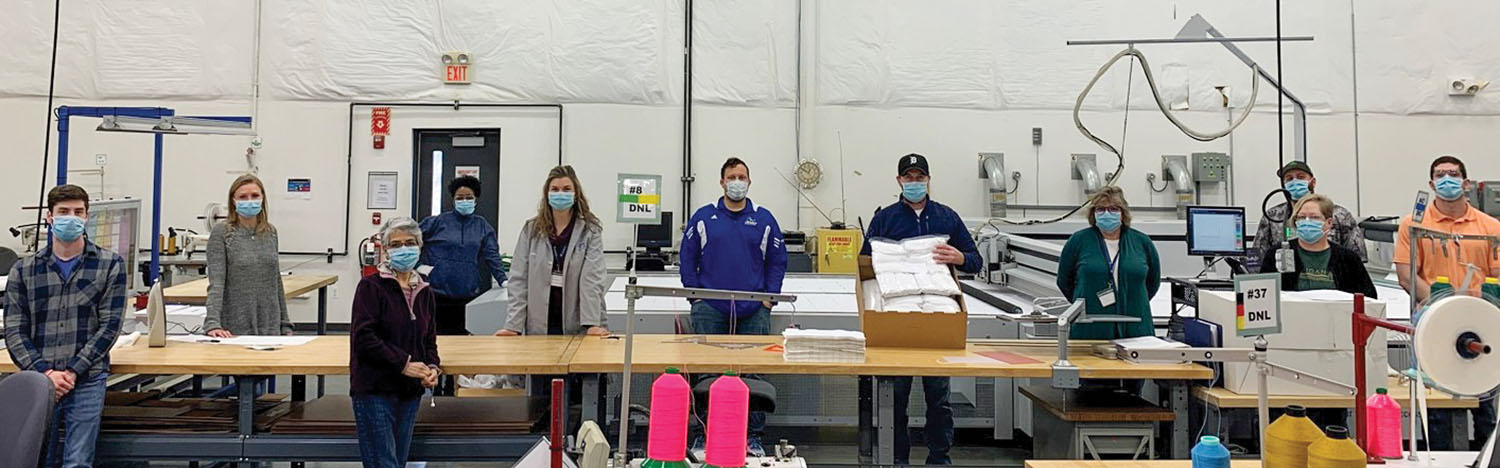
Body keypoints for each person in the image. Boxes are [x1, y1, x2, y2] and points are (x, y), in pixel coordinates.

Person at [858, 153, 980, 466]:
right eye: (909, 177)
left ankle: (939, 458)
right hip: (897, 320)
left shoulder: (947, 217)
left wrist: (959, 258)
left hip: (938, 321)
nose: (915, 182)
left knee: (938, 399)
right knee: (895, 398)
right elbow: (865, 264)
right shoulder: (885, 218)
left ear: (928, 179)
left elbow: (975, 260)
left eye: (920, 177)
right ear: (899, 181)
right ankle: (897, 459)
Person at [5, 185, 126, 468]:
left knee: (78, 461)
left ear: (86, 217)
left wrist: (71, 371)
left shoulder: (110, 265)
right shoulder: (24, 270)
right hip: (38, 382)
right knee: (34, 458)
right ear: (49, 217)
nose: (71, 218)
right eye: (63, 212)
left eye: (78, 212)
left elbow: (109, 327)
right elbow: (14, 330)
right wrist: (45, 373)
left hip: (87, 379)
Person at [679, 157, 788, 456]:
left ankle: (751, 438)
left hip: (754, 311)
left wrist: (769, 297)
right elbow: (687, 257)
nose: (737, 181)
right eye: (731, 176)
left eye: (742, 176)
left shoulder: (764, 220)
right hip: (709, 309)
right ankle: (704, 435)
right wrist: (696, 295)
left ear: (749, 182)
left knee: (752, 376)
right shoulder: (703, 217)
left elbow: (777, 262)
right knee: (707, 374)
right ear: (722, 182)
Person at [1394, 155, 1500, 450]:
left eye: (1453, 174)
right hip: (1432, 320)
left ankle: (1488, 455)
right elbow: (1406, 274)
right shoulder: (1413, 226)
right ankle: (1436, 456)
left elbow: (1497, 275)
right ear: (1430, 183)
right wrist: (1443, 307)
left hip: (1483, 323)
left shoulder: (1490, 227)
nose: (1446, 179)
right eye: (1439, 175)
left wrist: (1472, 307)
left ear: (1465, 183)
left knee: (1485, 403)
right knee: (1435, 404)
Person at [349, 217, 440, 468]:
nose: (403, 249)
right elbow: (364, 339)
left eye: (410, 243)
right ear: (386, 250)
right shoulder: (371, 287)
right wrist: (405, 364)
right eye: (396, 244)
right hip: (375, 390)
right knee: (384, 463)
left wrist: (432, 366)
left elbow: (429, 339)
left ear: (420, 246)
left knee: (398, 462)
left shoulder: (425, 291)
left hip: (409, 392)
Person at [497, 165, 609, 337]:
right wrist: (513, 326)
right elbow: (519, 279)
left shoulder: (590, 230)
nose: (560, 194)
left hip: (578, 320)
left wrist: (592, 323)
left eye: (566, 189)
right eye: (555, 189)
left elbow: (591, 280)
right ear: (547, 194)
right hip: (539, 320)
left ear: (576, 193)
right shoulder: (531, 229)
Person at [1056, 186, 1160, 340]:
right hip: (1091, 326)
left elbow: (1153, 282)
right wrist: (1087, 300)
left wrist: (1133, 300)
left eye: (1113, 209)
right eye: (1100, 209)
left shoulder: (1142, 242)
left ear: (1122, 213)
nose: (1106, 213)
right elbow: (1064, 281)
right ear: (1093, 214)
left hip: (1136, 324)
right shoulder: (1078, 241)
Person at [205, 174, 292, 338]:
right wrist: (212, 323)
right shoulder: (222, 233)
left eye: (255, 196)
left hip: (270, 325)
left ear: (263, 198)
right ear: (233, 200)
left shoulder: (270, 232)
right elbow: (216, 283)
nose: (249, 200)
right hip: (235, 326)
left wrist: (285, 324)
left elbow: (276, 282)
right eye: (243, 197)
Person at [420, 176, 508, 336]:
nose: (464, 201)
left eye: (469, 197)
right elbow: (411, 239)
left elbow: (492, 255)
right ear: (453, 200)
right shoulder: (437, 223)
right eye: (459, 198)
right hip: (435, 295)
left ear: (476, 200)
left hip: (467, 296)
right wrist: (418, 268)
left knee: (461, 341)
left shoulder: (482, 226)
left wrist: (503, 279)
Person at [1258, 194, 1377, 297]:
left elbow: (1368, 300)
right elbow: (1264, 297)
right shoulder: (1276, 253)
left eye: (1314, 217)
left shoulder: (1348, 259)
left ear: (1329, 223)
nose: (1307, 221)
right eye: (1301, 217)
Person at [1252, 161, 1367, 262]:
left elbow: (1357, 258)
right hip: (1285, 282)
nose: (1294, 182)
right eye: (1289, 178)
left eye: (1301, 177)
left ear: (1313, 182)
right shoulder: (1273, 216)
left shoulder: (1340, 215)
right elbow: (1257, 258)